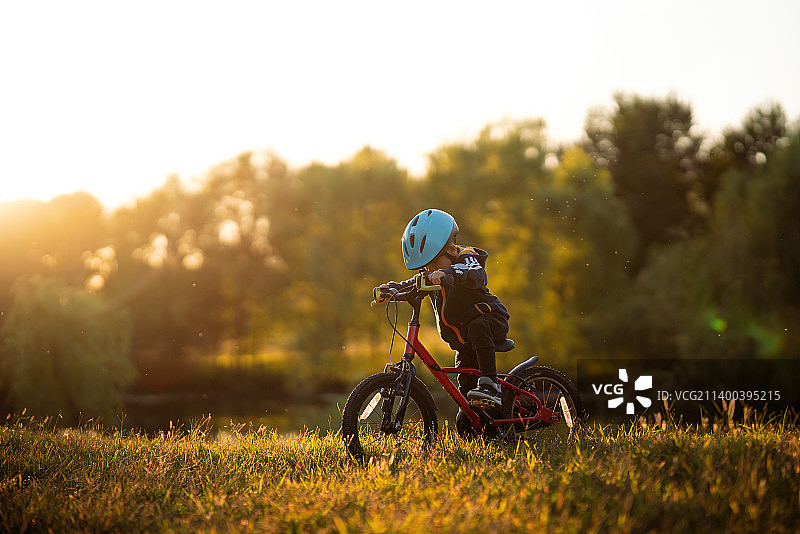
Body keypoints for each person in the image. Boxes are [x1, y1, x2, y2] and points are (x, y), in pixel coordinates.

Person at [379, 209, 510, 407]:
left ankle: (491, 384)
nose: (429, 271)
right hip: (464, 339)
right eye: (425, 266)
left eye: (432, 263)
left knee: (478, 326)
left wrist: (449, 274)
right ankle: (480, 422)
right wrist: (393, 289)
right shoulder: (432, 273)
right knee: (466, 392)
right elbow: (415, 283)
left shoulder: (467, 258)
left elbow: (474, 273)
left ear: (450, 250)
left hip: (491, 320)